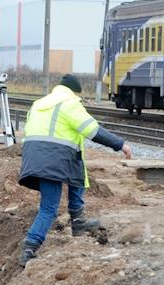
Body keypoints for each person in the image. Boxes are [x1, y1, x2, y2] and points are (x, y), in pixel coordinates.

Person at [18, 74, 133, 266]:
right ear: (73, 92)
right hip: (53, 159)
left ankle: (78, 221)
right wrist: (120, 145)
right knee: (49, 208)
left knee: (77, 171)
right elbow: (93, 131)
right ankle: (29, 248)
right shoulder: (70, 103)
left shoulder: (39, 103)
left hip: (33, 157)